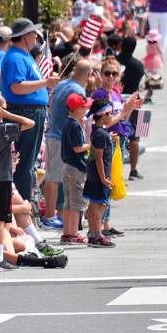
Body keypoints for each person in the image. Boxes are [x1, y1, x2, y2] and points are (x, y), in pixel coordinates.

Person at [0, 18, 59, 203]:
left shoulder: (22, 56)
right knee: (25, 162)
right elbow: (17, 87)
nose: (36, 37)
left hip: (31, 111)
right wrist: (45, 83)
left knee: (27, 161)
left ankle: (23, 203)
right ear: (25, 36)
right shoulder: (16, 57)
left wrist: (44, 87)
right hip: (25, 112)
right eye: (33, 33)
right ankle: (22, 204)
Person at [42, 59, 93, 231]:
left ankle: (54, 215)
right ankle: (49, 216)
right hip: (60, 137)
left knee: (55, 177)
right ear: (88, 74)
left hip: (53, 133)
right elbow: (80, 116)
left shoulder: (63, 84)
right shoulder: (78, 90)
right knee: (54, 178)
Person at [0, 96, 36, 270]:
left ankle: (1, 256)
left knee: (1, 221)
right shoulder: (4, 129)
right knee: (0, 221)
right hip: (2, 178)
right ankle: (0, 258)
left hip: (3, 176)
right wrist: (8, 114)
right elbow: (30, 123)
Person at [84, 99, 116, 248]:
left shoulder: (98, 132)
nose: (112, 116)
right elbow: (98, 158)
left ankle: (92, 232)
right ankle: (97, 234)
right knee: (100, 205)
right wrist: (104, 178)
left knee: (93, 204)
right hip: (99, 176)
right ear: (103, 116)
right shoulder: (101, 134)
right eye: (110, 113)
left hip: (93, 175)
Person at [60, 92, 92, 246]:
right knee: (76, 203)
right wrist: (90, 144)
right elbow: (78, 148)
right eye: (83, 108)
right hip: (76, 167)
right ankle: (74, 233)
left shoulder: (68, 122)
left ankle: (67, 232)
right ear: (77, 109)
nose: (85, 110)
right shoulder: (74, 125)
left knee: (67, 201)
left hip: (66, 166)